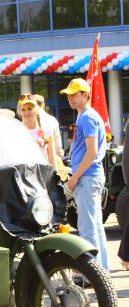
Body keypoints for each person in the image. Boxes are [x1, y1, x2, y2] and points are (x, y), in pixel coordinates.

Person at [60, 77, 109, 271]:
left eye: (75, 94)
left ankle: (93, 276)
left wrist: (75, 177)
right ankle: (101, 273)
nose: (70, 98)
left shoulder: (87, 117)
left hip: (87, 177)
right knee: (95, 227)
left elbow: (92, 152)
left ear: (86, 95)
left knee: (88, 229)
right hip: (91, 176)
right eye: (69, 95)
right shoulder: (87, 115)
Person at [17, 94, 57, 169]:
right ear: (20, 112)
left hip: (44, 175)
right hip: (24, 176)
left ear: (36, 110)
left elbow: (52, 157)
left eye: (29, 109)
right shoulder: (17, 132)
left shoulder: (47, 130)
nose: (26, 112)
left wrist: (56, 176)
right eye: (23, 109)